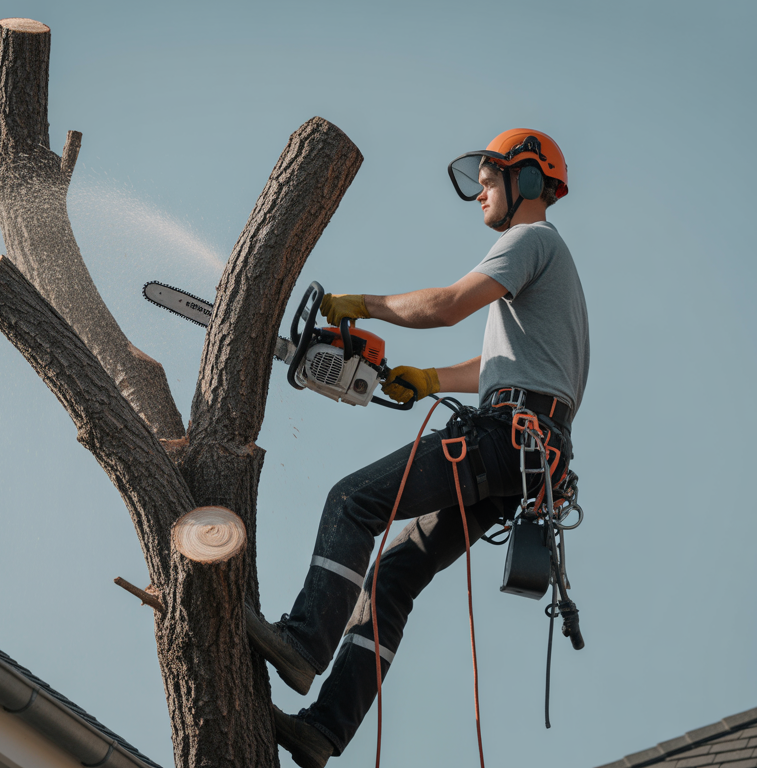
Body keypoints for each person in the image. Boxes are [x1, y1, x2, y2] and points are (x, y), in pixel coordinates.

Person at [248, 129, 590, 768]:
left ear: (530, 180)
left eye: (490, 179)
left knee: (353, 501)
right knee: (395, 576)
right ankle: (323, 731)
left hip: (501, 440)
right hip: (525, 464)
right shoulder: (553, 275)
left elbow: (449, 305)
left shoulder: (529, 240)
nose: (481, 192)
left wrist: (366, 306)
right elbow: (500, 364)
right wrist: (430, 381)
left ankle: (302, 643)